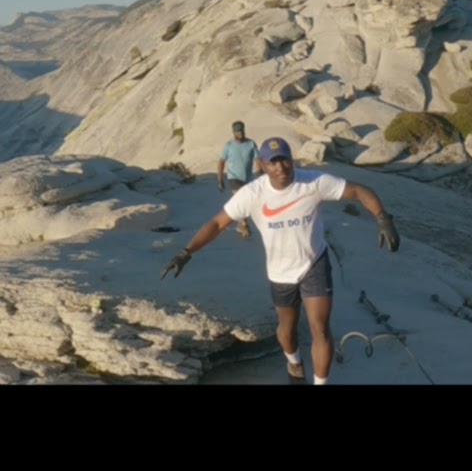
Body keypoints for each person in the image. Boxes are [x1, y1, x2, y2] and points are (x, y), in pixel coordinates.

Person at [162, 136, 399, 385]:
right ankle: (294, 361)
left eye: (284, 159)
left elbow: (358, 190)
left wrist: (383, 218)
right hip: (279, 272)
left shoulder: (314, 182)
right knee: (287, 331)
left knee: (319, 327)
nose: (280, 167)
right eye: (273, 162)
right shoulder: (252, 194)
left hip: (314, 263)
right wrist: (186, 253)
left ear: (291, 159)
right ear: (263, 166)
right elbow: (217, 223)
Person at [217, 120, 259, 239]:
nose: (240, 133)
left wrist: (260, 173)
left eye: (242, 131)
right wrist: (220, 179)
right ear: (234, 133)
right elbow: (221, 161)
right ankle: (244, 224)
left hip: (247, 177)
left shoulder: (251, 144)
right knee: (240, 198)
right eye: (238, 131)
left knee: (246, 202)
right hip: (233, 177)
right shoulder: (229, 145)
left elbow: (258, 159)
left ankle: (241, 224)